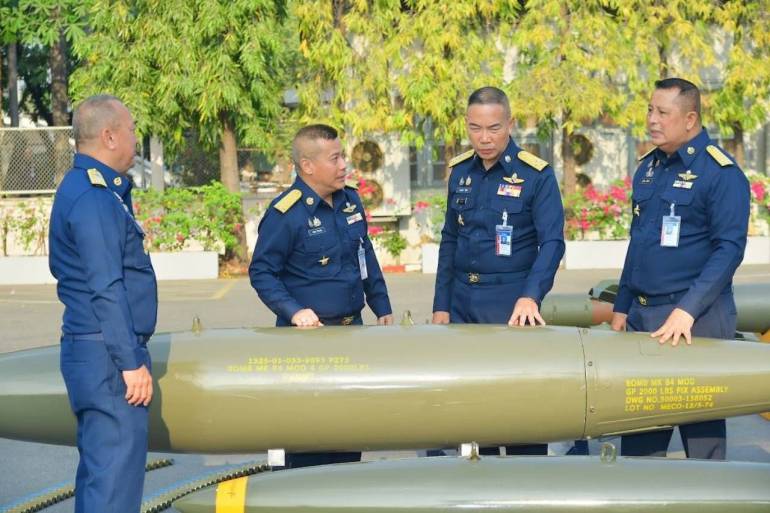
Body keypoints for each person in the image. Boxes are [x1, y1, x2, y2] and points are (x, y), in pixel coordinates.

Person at [611, 78, 750, 459]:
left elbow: (729, 250)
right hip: (644, 318)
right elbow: (639, 243)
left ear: (690, 119)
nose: (652, 120)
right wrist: (622, 306)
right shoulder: (649, 168)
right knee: (640, 439)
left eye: (662, 112)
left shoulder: (720, 172)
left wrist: (687, 310)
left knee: (703, 441)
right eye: (649, 110)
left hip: (696, 320)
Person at [249, 123, 393, 467]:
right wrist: (293, 310)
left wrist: (382, 306)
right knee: (309, 437)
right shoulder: (286, 213)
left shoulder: (350, 201)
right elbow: (262, 272)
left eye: (342, 156)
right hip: (307, 343)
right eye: (335, 158)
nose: (344, 165)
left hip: (351, 334)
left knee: (349, 432)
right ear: (308, 166)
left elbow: (365, 255)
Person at [432, 86, 565, 456]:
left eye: (493, 128)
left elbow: (552, 243)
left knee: (519, 409)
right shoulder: (460, 171)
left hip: (512, 305)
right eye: (475, 128)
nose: (484, 138)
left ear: (510, 124)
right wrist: (441, 305)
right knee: (471, 410)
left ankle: (526, 482)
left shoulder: (535, 175)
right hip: (463, 305)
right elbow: (449, 239)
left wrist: (531, 296)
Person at [49, 95, 156, 513]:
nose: (135, 138)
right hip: (108, 356)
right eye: (131, 129)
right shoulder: (94, 197)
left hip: (97, 349)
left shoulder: (92, 189)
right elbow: (106, 285)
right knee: (113, 487)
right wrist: (130, 362)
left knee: (104, 479)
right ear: (110, 137)